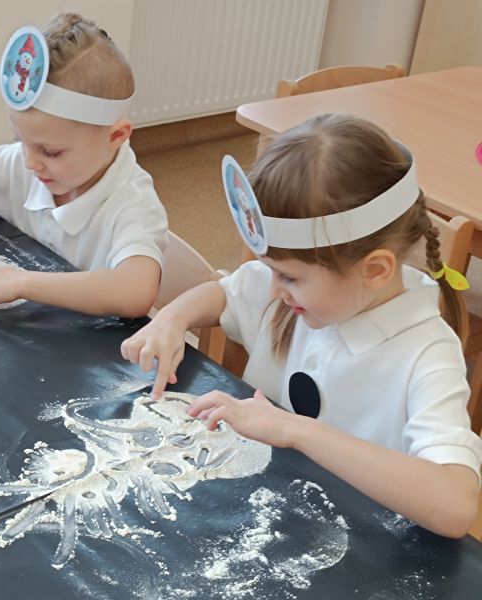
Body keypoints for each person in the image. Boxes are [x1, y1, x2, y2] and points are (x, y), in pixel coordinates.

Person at [121, 114, 482, 538]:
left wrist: (295, 430)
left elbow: (455, 504)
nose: (274, 289)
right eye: (271, 270)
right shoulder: (305, 295)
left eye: (289, 277)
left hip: (357, 543)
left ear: (375, 270)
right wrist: (172, 319)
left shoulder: (427, 354)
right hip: (267, 510)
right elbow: (224, 294)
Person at [0, 13, 168, 318]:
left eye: (50, 152)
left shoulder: (132, 205)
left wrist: (20, 282)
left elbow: (135, 291)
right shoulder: (22, 166)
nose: (30, 162)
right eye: (20, 140)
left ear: (115, 136)